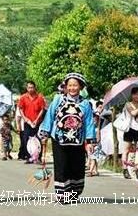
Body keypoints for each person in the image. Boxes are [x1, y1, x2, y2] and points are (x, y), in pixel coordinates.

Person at [39, 72, 96, 204]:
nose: (72, 88)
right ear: (66, 86)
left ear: (80, 87)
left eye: (75, 85)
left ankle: (74, 193)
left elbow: (89, 123)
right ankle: (62, 194)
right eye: (69, 85)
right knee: (61, 165)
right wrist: (45, 134)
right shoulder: (58, 99)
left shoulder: (85, 104)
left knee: (77, 166)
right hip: (59, 139)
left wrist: (90, 141)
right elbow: (50, 116)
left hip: (77, 140)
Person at [16, 81, 46, 163]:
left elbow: (42, 109)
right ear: (26, 88)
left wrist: (36, 120)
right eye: (29, 87)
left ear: (35, 87)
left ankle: (38, 157)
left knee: (39, 138)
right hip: (27, 122)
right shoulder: (23, 97)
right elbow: (20, 109)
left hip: (38, 122)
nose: (30, 89)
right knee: (26, 139)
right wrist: (25, 119)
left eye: (32, 87)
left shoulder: (39, 97)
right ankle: (28, 156)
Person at [121, 87, 138, 179]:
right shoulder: (128, 104)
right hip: (129, 129)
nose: (136, 96)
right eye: (134, 94)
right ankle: (125, 169)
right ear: (131, 95)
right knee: (126, 150)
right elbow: (133, 113)